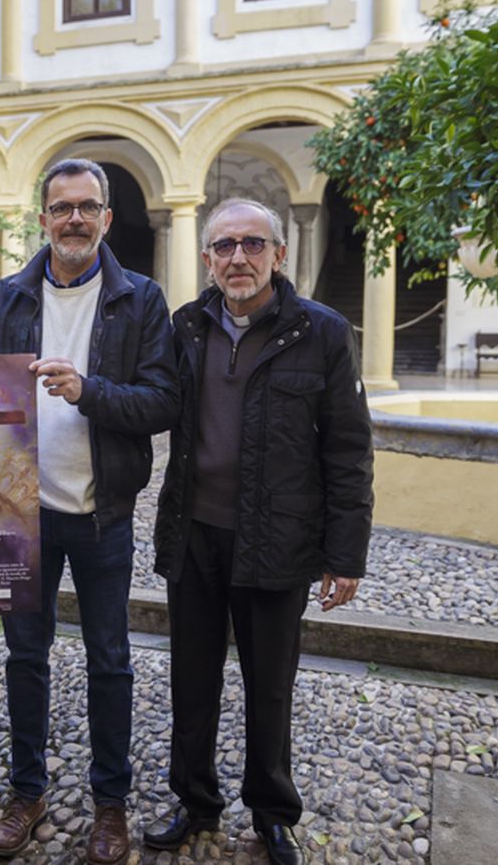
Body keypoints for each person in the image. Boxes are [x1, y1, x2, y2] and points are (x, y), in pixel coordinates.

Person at [142, 198, 374, 865]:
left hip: (277, 540)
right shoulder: (186, 327)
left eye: (251, 244)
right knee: (192, 680)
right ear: (208, 258)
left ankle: (273, 813)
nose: (236, 257)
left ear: (279, 254)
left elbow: (349, 449)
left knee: (270, 685)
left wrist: (344, 553)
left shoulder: (322, 332)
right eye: (223, 246)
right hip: (194, 536)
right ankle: (195, 801)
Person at [0, 158, 179, 864]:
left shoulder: (141, 299)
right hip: (19, 513)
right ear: (43, 219)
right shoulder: (6, 297)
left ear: (107, 219)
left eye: (87, 207)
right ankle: (25, 792)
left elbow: (160, 403)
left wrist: (87, 390)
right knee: (24, 656)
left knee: (110, 660)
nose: (74, 220)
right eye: (62, 208)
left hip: (102, 511)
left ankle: (110, 806)